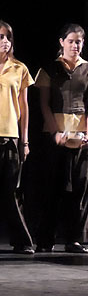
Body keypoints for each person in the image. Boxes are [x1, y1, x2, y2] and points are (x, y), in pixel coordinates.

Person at [34, 23, 88, 253]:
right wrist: (55, 132)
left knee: (79, 189)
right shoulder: (50, 69)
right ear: (62, 42)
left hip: (80, 136)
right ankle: (45, 238)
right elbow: (44, 104)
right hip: (55, 135)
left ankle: (74, 238)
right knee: (52, 187)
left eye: (79, 42)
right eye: (71, 41)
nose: (75, 45)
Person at [0, 20, 35, 254]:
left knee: (12, 191)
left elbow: (24, 107)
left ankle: (22, 241)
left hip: (10, 138)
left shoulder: (19, 68)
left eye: (7, 37)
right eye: (0, 37)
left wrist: (25, 141)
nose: (5, 41)